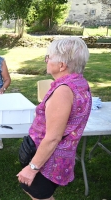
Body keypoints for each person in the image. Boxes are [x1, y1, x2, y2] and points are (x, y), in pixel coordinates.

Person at [16, 37, 92, 200]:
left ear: (62, 65)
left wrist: (32, 168)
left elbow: (52, 138)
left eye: (49, 57)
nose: (46, 60)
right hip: (58, 157)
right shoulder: (79, 83)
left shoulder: (63, 91)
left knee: (38, 194)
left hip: (48, 160)